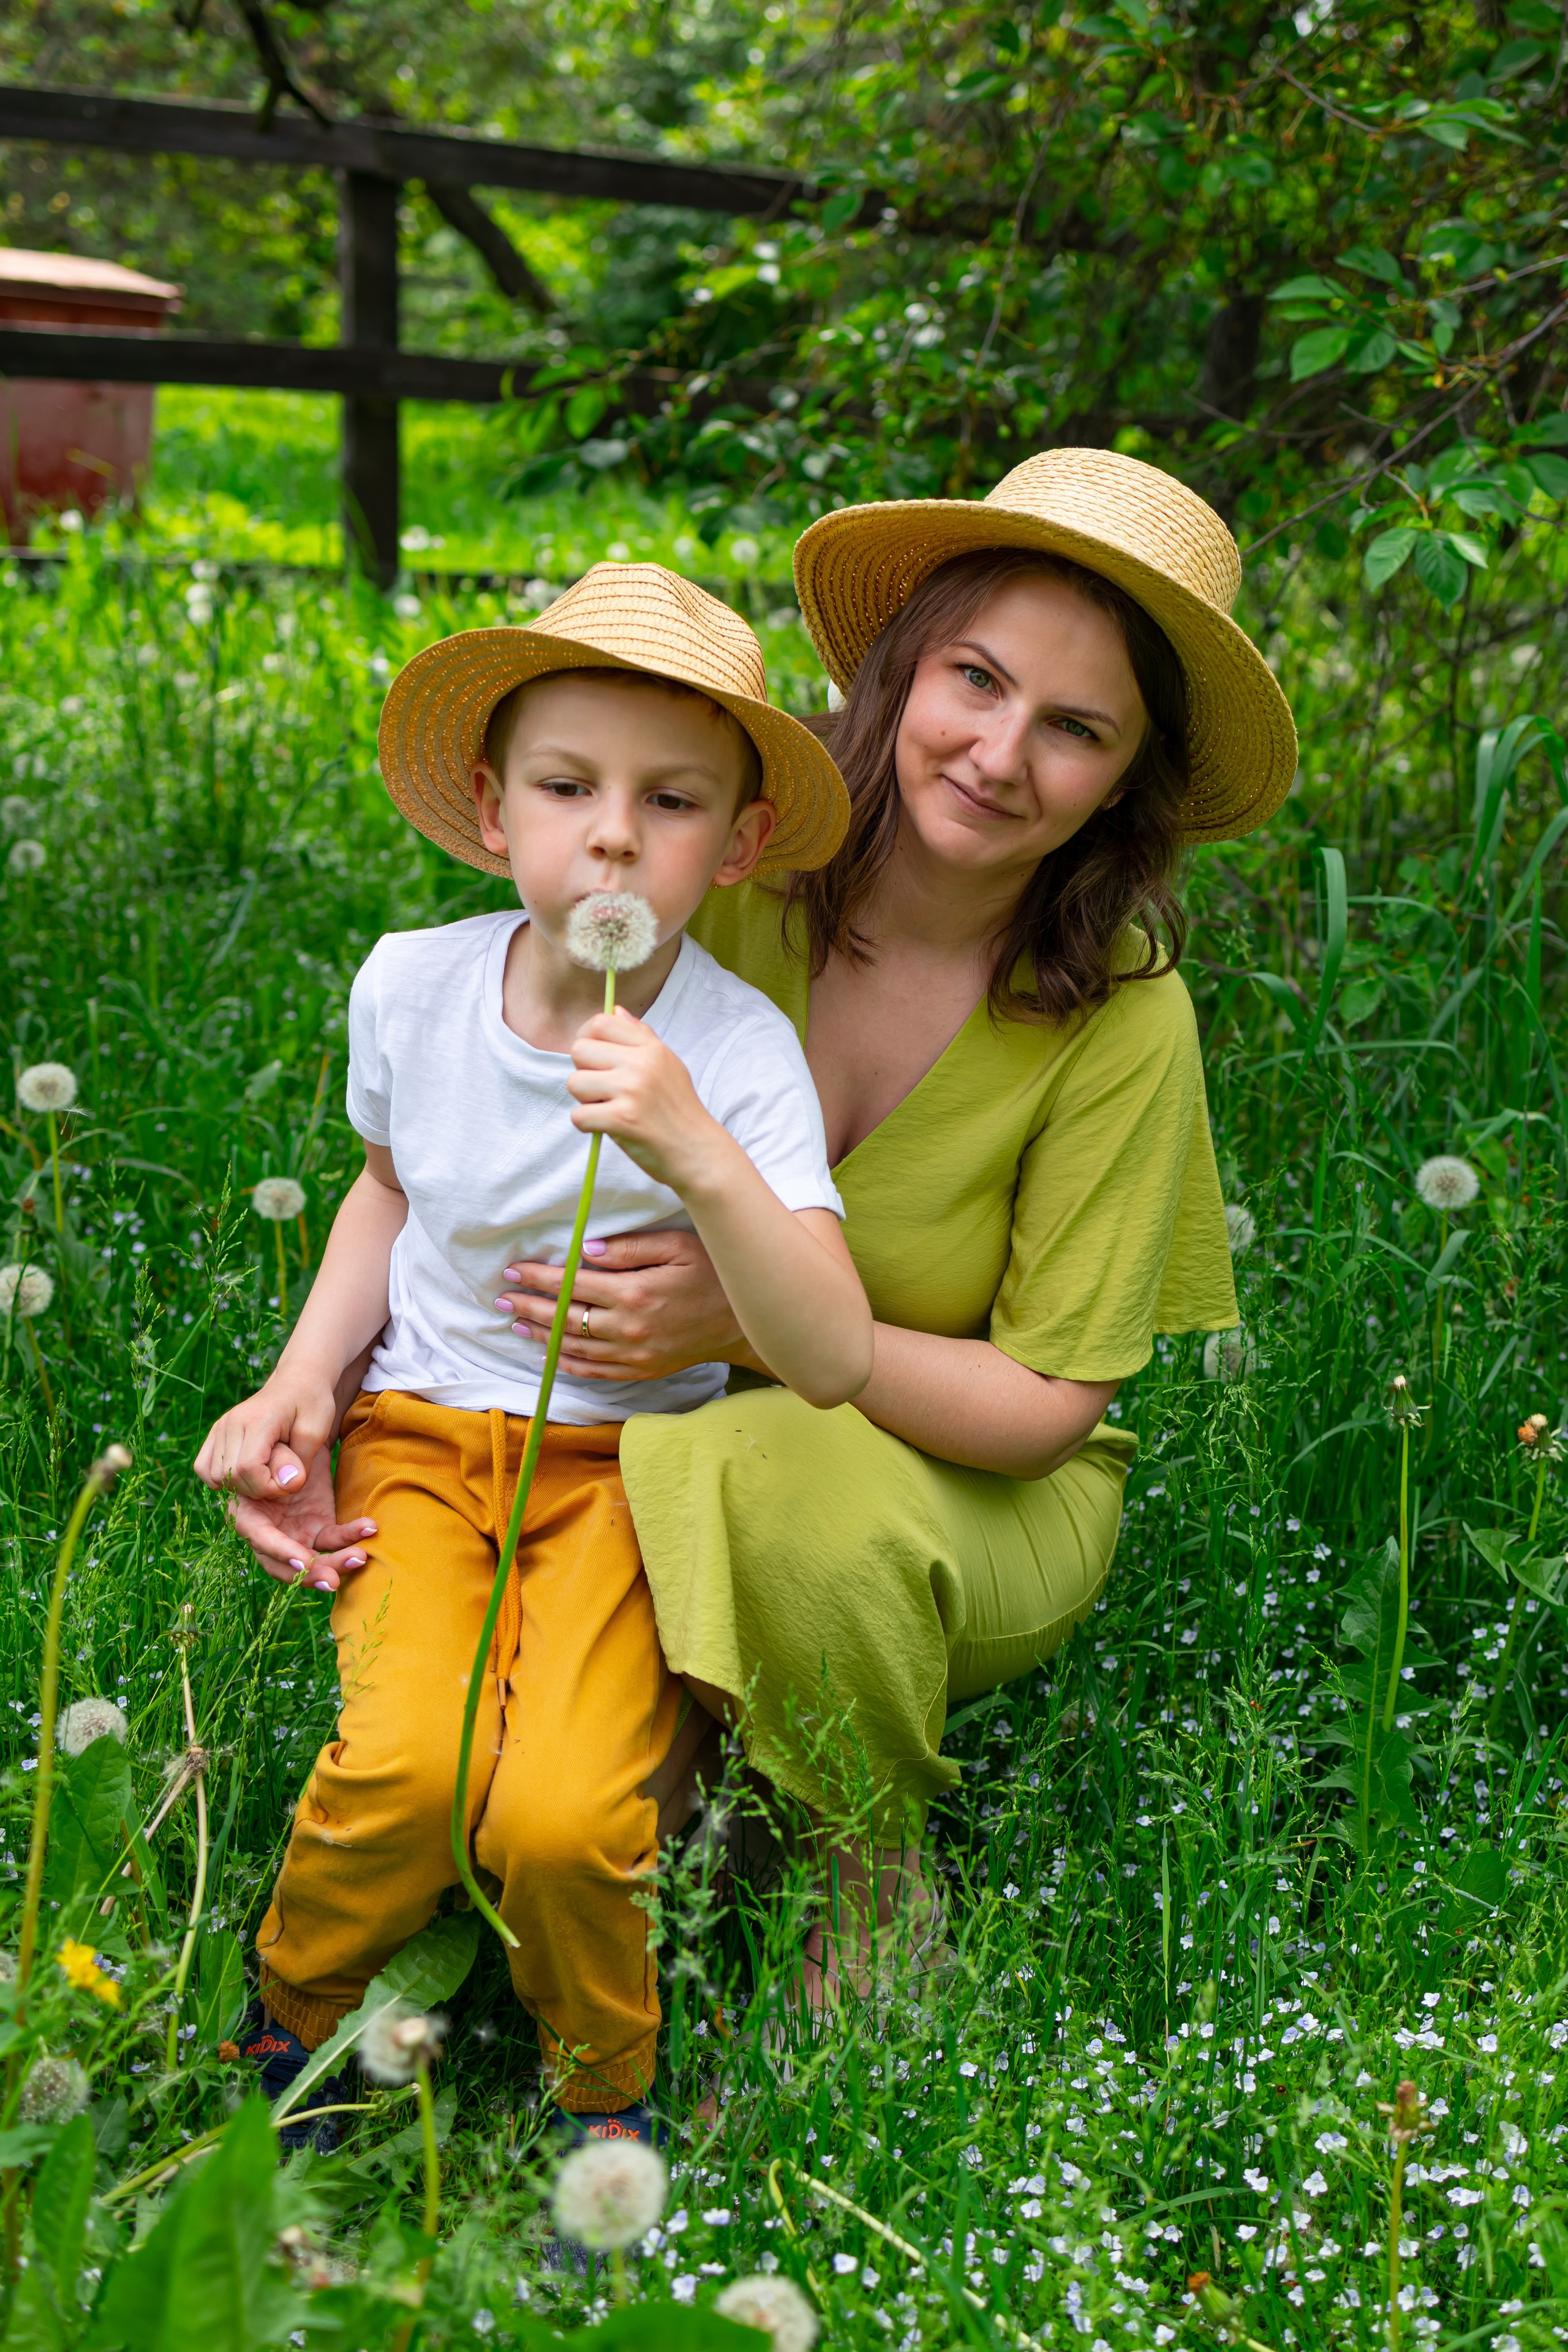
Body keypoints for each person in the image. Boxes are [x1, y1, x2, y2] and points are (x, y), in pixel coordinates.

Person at [491, 449, 1298, 1996]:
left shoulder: (1121, 1013)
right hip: (636, 1426)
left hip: (960, 1498)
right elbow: (474, 1133)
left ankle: (866, 1904)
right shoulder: (721, 872)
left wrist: (762, 1322)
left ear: (1126, 780)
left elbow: (1046, 1408)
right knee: (529, 1800)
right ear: (896, 668)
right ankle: (699, 1795)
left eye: (1074, 730)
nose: (999, 755)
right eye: (973, 681)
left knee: (776, 1458)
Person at [193, 563, 870, 2138]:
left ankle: (601, 2099)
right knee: (409, 1777)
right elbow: (385, 1191)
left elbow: (828, 1352)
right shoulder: (410, 988)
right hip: (421, 1444)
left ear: (741, 841)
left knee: (566, 1816)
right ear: (494, 813)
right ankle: (284, 2028)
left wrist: (696, 1149)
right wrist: (307, 1378)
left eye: (673, 800)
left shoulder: (734, 1052)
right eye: (569, 787)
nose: (616, 833)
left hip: (629, 1477)